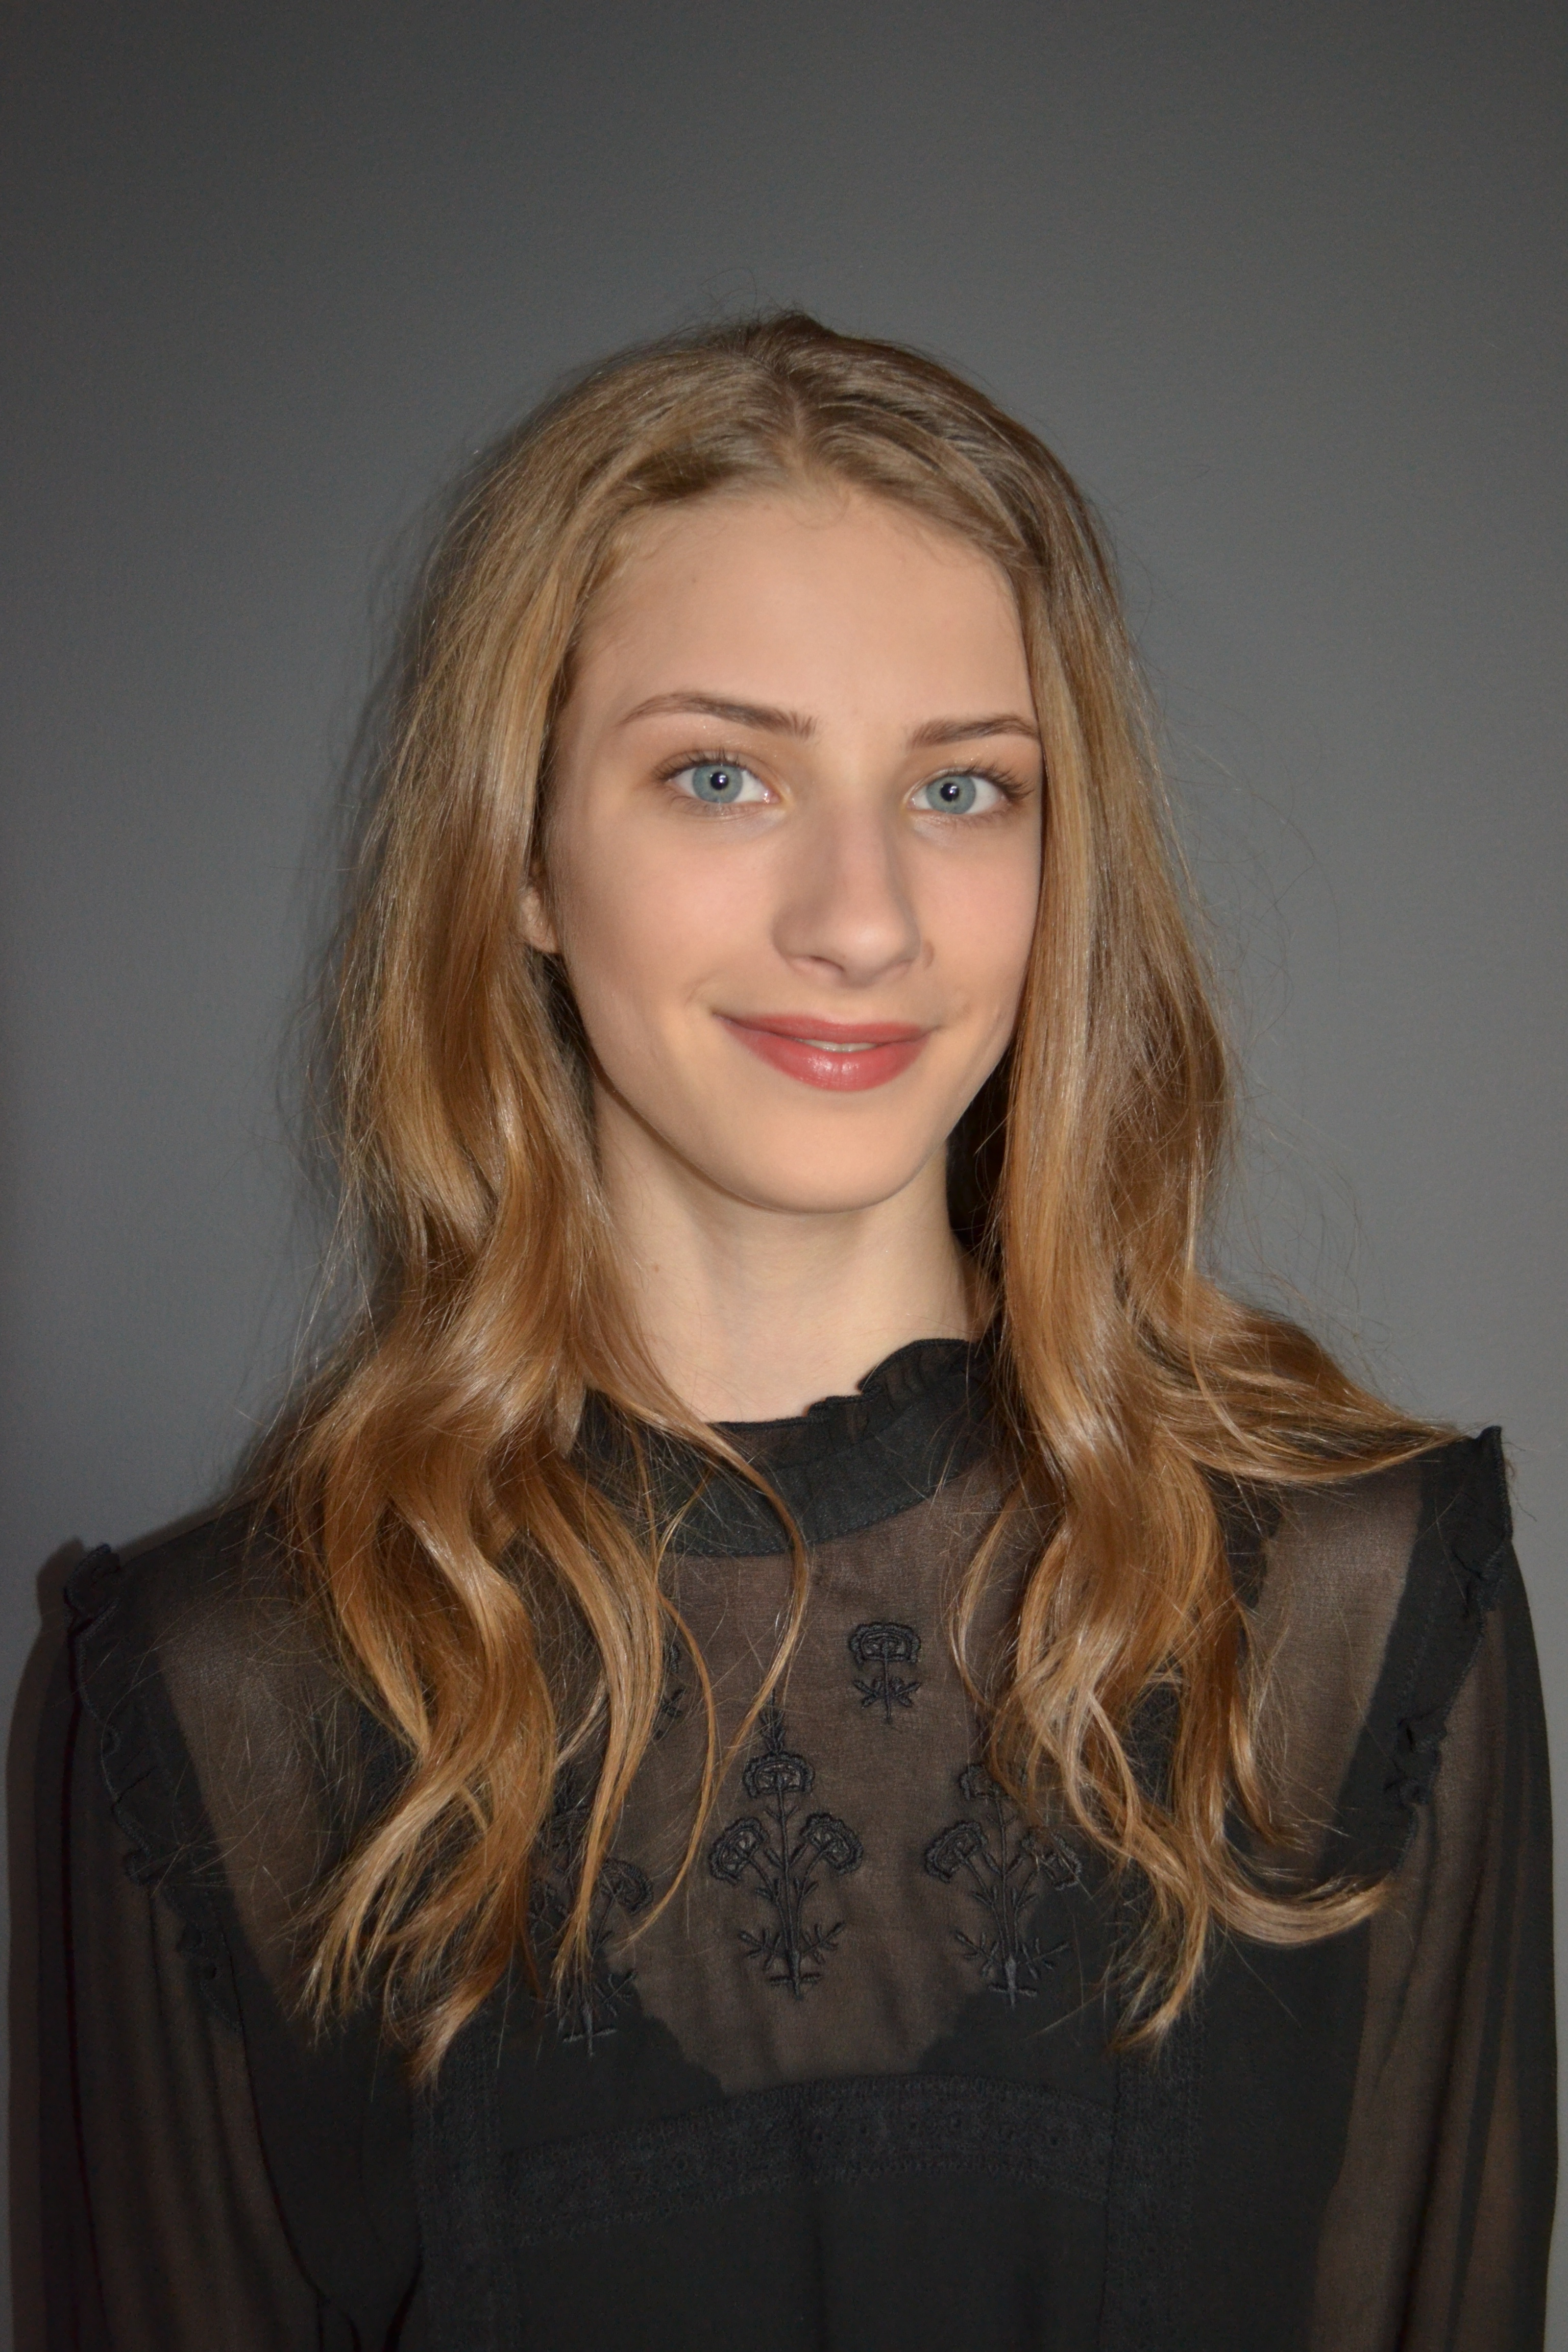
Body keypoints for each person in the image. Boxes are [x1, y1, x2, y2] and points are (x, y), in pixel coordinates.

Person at [37, 313, 1554, 2351]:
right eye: (722, 775)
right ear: (525, 859)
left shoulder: (1355, 1622)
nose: (863, 919)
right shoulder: (223, 1698)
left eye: (964, 789)